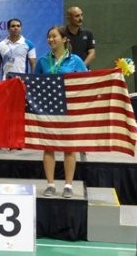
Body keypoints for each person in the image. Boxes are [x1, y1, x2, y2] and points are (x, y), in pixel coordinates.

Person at [34, 26, 88, 198]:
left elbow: (86, 82)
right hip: (48, 108)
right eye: (48, 37)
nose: (50, 39)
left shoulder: (76, 60)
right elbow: (34, 84)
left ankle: (68, 185)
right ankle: (50, 184)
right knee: (48, 147)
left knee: (69, 148)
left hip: (70, 108)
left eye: (54, 36)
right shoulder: (43, 61)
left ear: (64, 39)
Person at [65, 6, 95, 162]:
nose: (80, 18)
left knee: (84, 108)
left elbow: (92, 52)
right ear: (69, 18)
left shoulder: (87, 34)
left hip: (83, 76)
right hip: (66, 77)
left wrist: (80, 67)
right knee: (70, 109)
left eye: (81, 15)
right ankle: (69, 139)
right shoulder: (63, 34)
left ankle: (83, 141)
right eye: (76, 16)